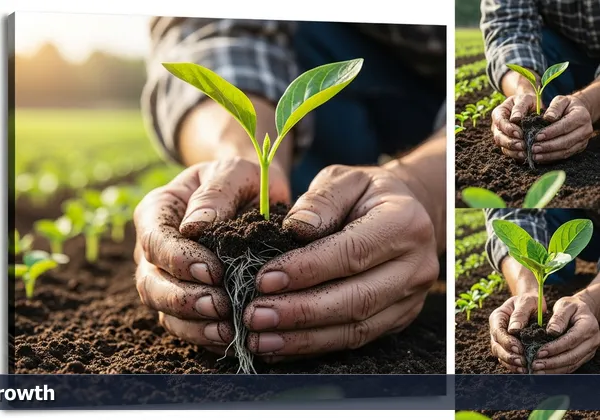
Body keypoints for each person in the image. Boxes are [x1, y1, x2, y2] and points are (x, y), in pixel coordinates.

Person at [132, 17, 447, 360]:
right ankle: (367, 238)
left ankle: (395, 240)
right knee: (316, 216)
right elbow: (212, 24)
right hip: (334, 59)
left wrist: (425, 189)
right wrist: (235, 158)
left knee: (345, 225)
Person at [482, 0, 600, 164]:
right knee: (545, 40)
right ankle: (560, 116)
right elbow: (508, 27)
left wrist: (588, 101)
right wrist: (523, 90)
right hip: (562, 56)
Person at [487, 209, 600, 374]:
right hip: (577, 218)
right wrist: (526, 290)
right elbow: (510, 214)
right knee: (552, 279)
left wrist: (591, 301)